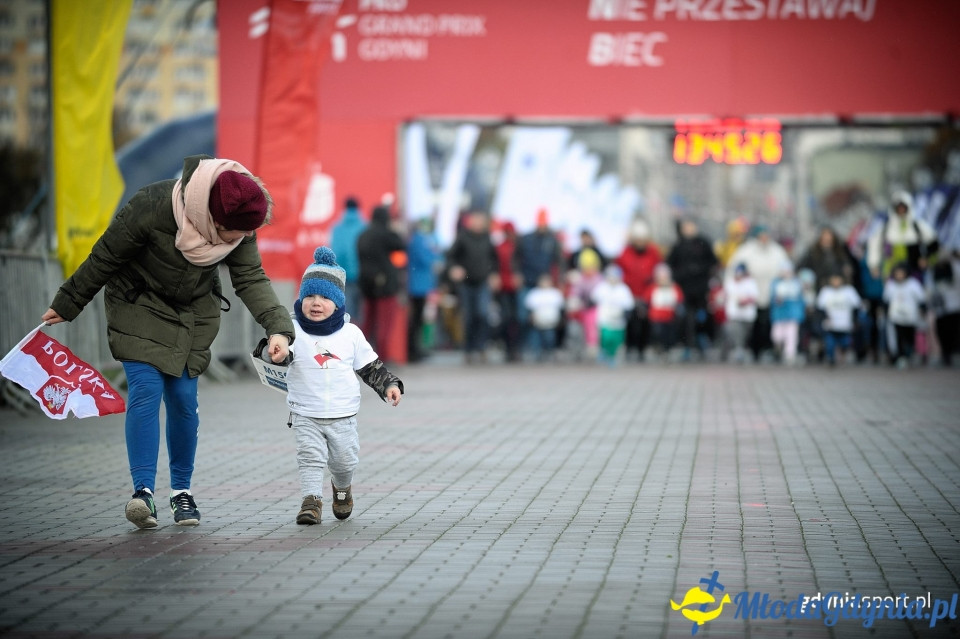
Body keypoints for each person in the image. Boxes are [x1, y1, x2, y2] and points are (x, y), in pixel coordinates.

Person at [42, 155, 294, 529]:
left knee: (183, 399)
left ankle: (181, 493)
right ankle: (142, 492)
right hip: (138, 304)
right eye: (233, 235)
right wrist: (68, 301)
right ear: (214, 219)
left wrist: (278, 329)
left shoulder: (241, 223)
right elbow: (106, 256)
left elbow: (251, 279)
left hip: (193, 315)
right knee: (145, 388)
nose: (238, 241)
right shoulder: (153, 205)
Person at [279, 247, 402, 525]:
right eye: (309, 295)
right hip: (304, 412)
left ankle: (342, 488)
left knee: (344, 462)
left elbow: (370, 367)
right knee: (310, 458)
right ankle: (311, 501)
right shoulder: (292, 329)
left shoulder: (351, 334)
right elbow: (277, 352)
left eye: (324, 297)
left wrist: (389, 385)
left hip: (343, 416)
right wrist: (275, 353)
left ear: (338, 302)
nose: (316, 302)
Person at [726, 225, 790, 361]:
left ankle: (767, 350)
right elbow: (733, 270)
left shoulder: (777, 251)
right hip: (750, 294)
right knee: (751, 325)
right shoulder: (745, 251)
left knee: (768, 324)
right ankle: (751, 350)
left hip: (771, 293)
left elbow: (785, 270)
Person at [446, 211, 500, 364]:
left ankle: (481, 347)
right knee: (468, 317)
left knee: (482, 314)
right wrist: (454, 268)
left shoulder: (488, 238)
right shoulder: (463, 237)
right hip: (466, 283)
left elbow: (494, 258)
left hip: (483, 282)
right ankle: (468, 349)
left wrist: (494, 274)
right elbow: (450, 256)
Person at [356, 204, 406, 359]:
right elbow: (401, 245)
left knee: (368, 323)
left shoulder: (363, 235)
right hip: (386, 285)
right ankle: (382, 356)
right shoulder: (387, 234)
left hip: (366, 284)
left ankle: (360, 357)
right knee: (385, 324)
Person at [666, 218, 718, 358]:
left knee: (702, 317)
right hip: (684, 289)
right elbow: (670, 264)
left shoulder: (703, 243)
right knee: (685, 319)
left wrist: (700, 271)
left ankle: (702, 342)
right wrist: (681, 274)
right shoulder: (678, 245)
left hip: (701, 288)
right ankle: (686, 345)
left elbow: (713, 262)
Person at [515, 208, 563, 351]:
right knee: (524, 317)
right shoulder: (526, 238)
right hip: (528, 282)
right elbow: (516, 258)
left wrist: (559, 279)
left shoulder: (552, 240)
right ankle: (529, 347)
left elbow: (560, 261)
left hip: (545, 286)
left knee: (545, 319)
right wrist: (517, 274)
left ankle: (541, 349)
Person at [867, 191, 939, 281]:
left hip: (914, 270)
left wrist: (926, 258)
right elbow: (874, 245)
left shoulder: (917, 225)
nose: (901, 210)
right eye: (898, 208)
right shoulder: (886, 226)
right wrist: (874, 265)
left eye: (903, 208)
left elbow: (933, 242)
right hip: (891, 270)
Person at [616, 219, 662, 360]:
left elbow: (658, 271)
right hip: (630, 294)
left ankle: (644, 348)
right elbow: (620, 272)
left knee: (646, 323)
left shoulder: (653, 252)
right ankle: (631, 348)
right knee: (631, 323)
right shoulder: (625, 252)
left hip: (647, 294)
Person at [406, 217, 442, 363]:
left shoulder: (417, 239)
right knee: (417, 318)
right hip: (419, 285)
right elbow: (426, 258)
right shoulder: (420, 240)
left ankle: (415, 348)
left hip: (419, 284)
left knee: (419, 318)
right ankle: (414, 349)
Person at [330, 196, 367, 326]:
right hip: (363, 275)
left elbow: (336, 252)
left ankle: (348, 342)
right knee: (363, 313)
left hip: (344, 276)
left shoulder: (337, 228)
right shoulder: (365, 226)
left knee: (347, 312)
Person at [883, 262, 926, 369]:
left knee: (909, 337)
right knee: (898, 337)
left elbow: (921, 299)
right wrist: (886, 312)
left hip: (910, 317)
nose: (899, 276)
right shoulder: (891, 285)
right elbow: (886, 300)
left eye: (901, 273)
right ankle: (901, 357)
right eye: (897, 274)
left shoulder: (913, 284)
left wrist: (922, 310)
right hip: (896, 316)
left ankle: (909, 354)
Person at [591, 264, 635, 366]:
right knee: (606, 337)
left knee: (616, 340)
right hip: (605, 318)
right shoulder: (602, 287)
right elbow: (594, 298)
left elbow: (629, 304)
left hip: (618, 320)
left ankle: (612, 356)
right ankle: (605, 351)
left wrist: (626, 314)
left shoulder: (623, 289)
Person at [816, 272, 862, 366]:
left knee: (845, 343)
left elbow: (857, 306)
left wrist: (854, 320)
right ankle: (831, 359)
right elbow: (820, 308)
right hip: (831, 325)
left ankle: (841, 353)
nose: (836, 282)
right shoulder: (826, 291)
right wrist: (825, 318)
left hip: (845, 324)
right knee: (830, 344)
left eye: (838, 279)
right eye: (834, 279)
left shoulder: (849, 291)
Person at [494, 221, 523, 362]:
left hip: (516, 287)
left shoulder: (518, 247)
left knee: (517, 318)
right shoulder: (499, 247)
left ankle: (515, 348)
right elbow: (495, 265)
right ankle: (508, 348)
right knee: (506, 318)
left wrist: (520, 276)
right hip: (503, 288)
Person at [643, 263, 684, 359]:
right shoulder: (652, 288)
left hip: (670, 317)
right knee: (657, 333)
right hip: (656, 317)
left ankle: (668, 349)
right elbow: (646, 300)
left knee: (670, 334)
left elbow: (680, 300)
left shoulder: (674, 288)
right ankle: (657, 348)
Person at [797, 225, 856, 292]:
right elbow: (802, 266)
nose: (827, 238)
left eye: (829, 236)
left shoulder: (839, 251)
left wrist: (841, 278)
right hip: (821, 284)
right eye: (825, 236)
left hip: (840, 283)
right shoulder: (814, 252)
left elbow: (847, 265)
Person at [769, 261, 806, 365]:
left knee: (792, 335)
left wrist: (801, 311)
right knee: (777, 335)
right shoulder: (776, 283)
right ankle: (779, 348)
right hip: (779, 314)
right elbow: (772, 298)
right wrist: (776, 300)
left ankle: (790, 355)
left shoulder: (796, 283)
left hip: (793, 314)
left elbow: (801, 299)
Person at [524, 273, 566, 362]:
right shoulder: (534, 293)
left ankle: (549, 353)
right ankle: (536, 354)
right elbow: (530, 309)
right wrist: (531, 318)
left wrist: (560, 320)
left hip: (551, 322)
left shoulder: (555, 293)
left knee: (549, 339)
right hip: (537, 322)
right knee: (536, 339)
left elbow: (560, 308)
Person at [722, 263, 758, 364]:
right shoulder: (730, 283)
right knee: (735, 331)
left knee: (745, 334)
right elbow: (726, 296)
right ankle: (738, 350)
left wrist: (745, 301)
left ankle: (742, 350)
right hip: (734, 313)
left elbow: (754, 297)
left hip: (747, 315)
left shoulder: (750, 282)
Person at [930, 258, 960, 366]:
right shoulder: (935, 272)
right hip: (940, 309)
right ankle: (945, 353)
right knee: (941, 332)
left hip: (954, 307)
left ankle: (949, 354)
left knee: (952, 332)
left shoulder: (955, 269)